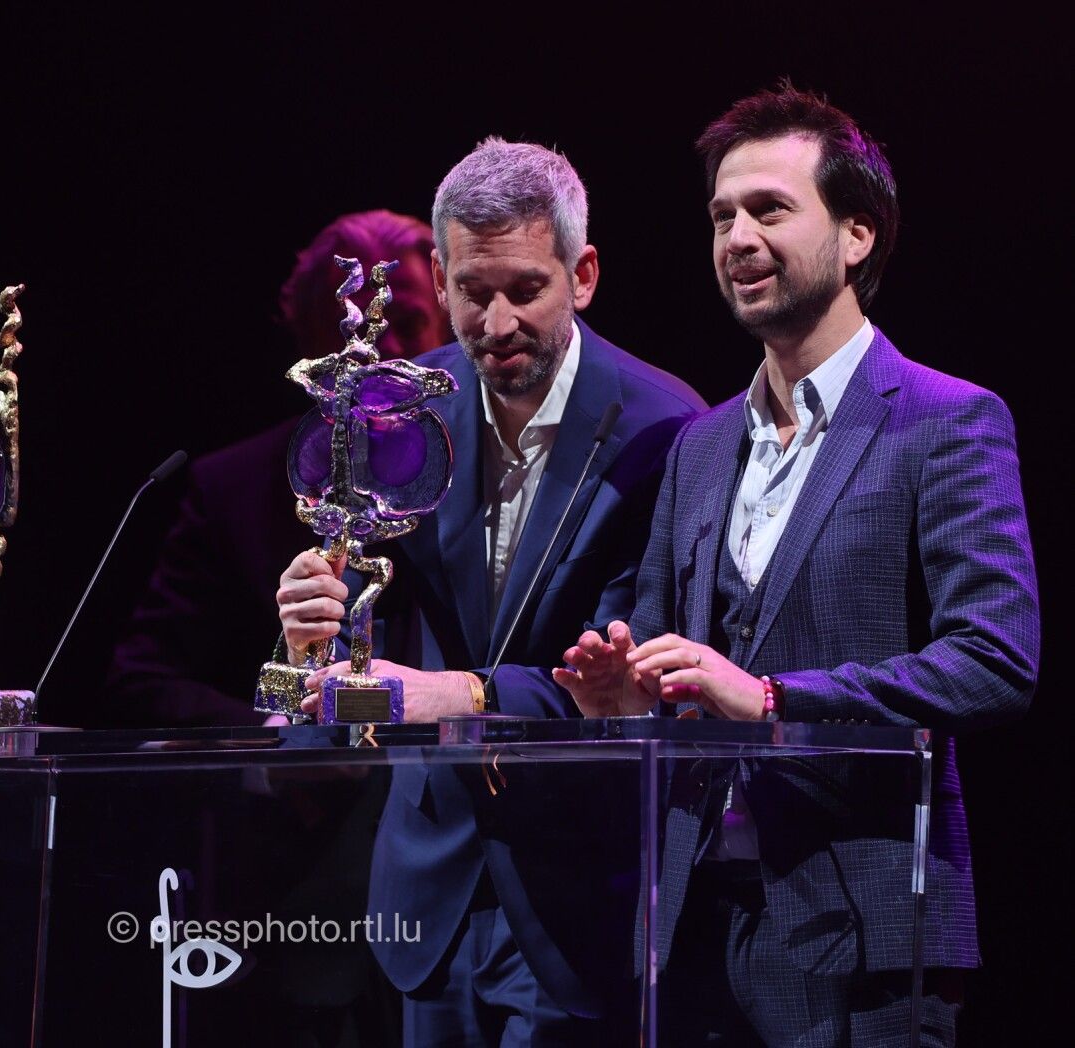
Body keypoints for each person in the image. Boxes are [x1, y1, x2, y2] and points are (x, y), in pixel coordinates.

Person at [553, 83, 1039, 1045]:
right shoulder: (699, 446)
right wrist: (628, 697)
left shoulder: (947, 421)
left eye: (770, 209)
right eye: (722, 216)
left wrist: (775, 698)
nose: (737, 238)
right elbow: (663, 650)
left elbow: (995, 660)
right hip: (691, 933)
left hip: (863, 937)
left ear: (858, 235)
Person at [277, 138, 705, 1043]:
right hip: (428, 883)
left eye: (525, 289)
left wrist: (464, 696)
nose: (497, 321)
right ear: (440, 278)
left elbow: (641, 668)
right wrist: (309, 633)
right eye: (473, 291)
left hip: (577, 889)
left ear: (582, 276)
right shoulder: (403, 408)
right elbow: (365, 615)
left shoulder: (667, 428)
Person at [105, 209, 448, 727]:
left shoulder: (489, 470)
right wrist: (278, 738)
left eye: (408, 325)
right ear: (309, 340)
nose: (381, 352)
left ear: (447, 328)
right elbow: (142, 681)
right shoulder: (229, 490)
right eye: (350, 331)